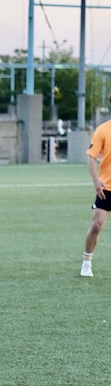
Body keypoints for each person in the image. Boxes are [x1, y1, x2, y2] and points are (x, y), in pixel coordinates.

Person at [80, 116, 111, 277]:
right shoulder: (103, 130)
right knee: (96, 225)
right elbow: (92, 156)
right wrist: (95, 181)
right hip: (106, 188)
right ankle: (86, 262)